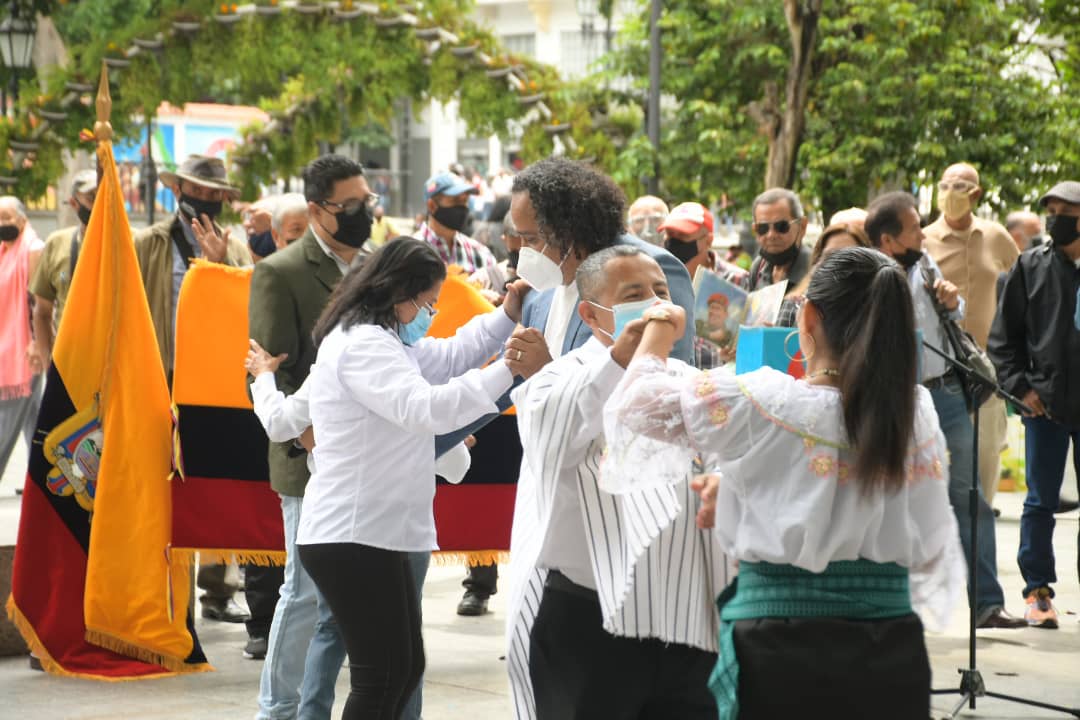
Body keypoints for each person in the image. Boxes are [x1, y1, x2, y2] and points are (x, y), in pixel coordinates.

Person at [602, 246, 966, 719]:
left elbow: (638, 404)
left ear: (808, 317)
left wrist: (656, 327)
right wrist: (733, 493)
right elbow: (926, 538)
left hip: (782, 648)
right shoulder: (916, 413)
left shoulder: (766, 401)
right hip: (891, 648)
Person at [296, 237, 529, 720]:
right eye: (426, 303)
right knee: (381, 676)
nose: (430, 313)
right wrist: (508, 369)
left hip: (376, 535)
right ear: (395, 292)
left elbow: (448, 356)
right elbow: (424, 408)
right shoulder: (361, 346)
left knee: (402, 668)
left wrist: (506, 315)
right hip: (353, 536)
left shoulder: (386, 340)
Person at [509, 246, 728, 720]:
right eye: (635, 294)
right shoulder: (557, 380)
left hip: (680, 612)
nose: (654, 304)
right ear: (591, 313)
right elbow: (555, 437)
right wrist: (620, 361)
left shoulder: (691, 381)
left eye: (661, 291)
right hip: (587, 616)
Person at [248, 155, 381, 718]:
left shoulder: (376, 266)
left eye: (366, 201)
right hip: (309, 460)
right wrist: (308, 434)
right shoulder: (282, 272)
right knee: (304, 593)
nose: (362, 212)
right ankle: (277, 709)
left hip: (372, 459)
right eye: (349, 205)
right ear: (316, 210)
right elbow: (265, 367)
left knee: (354, 603)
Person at [867, 191, 1024, 630]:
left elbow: (951, 321)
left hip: (947, 396)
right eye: (915, 228)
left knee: (969, 496)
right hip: (894, 403)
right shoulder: (866, 274)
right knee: (893, 499)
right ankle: (895, 605)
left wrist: (952, 302)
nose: (924, 233)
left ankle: (988, 603)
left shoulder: (923, 263)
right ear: (887, 240)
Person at [133, 155, 252, 623]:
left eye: (213, 192)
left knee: (217, 484)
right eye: (197, 190)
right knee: (162, 488)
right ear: (179, 188)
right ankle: (163, 589)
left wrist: (220, 267)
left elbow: (246, 303)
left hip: (215, 386)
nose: (205, 199)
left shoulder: (237, 248)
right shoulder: (150, 244)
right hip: (160, 378)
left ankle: (218, 591)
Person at [988, 180, 1080, 629]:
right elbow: (1003, 340)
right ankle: (1038, 592)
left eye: (1065, 211)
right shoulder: (1030, 267)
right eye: (1052, 211)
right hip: (1046, 405)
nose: (1054, 220)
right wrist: (1022, 388)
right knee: (1040, 501)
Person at [923, 163, 1019, 509]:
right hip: (938, 369)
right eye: (944, 185)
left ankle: (980, 537)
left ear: (976, 194)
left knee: (986, 456)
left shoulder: (995, 237)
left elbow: (1022, 287)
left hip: (985, 368)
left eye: (960, 186)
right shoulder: (924, 241)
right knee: (937, 460)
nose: (950, 193)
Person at [29, 170, 98, 365]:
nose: (100, 202)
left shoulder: (133, 242)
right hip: (70, 365)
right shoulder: (58, 244)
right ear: (75, 203)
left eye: (105, 194)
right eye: (92, 197)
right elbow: (42, 311)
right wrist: (47, 363)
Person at [0, 196, 44, 483]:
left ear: (23, 219)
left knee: (7, 417)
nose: (3, 224)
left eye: (7, 217)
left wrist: (36, 342)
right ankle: (39, 476)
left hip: (25, 345)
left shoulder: (34, 249)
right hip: (7, 342)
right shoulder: (3, 250)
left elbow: (38, 300)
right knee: (36, 417)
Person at [415, 171, 501, 295]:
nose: (463, 208)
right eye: (455, 201)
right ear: (432, 206)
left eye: (465, 201)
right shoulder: (408, 254)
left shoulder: (481, 255)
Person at [660, 202, 723, 369]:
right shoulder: (656, 279)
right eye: (669, 234)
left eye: (682, 236)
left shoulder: (737, 280)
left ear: (708, 240)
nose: (673, 242)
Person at [775, 222, 871, 327]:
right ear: (818, 262)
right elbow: (779, 343)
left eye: (849, 257)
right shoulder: (795, 305)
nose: (837, 263)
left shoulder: (876, 307)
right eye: (830, 255)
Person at [744, 188, 812, 291]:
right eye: (763, 228)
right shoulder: (758, 268)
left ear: (802, 226)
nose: (771, 235)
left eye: (781, 226)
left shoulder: (819, 271)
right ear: (755, 230)